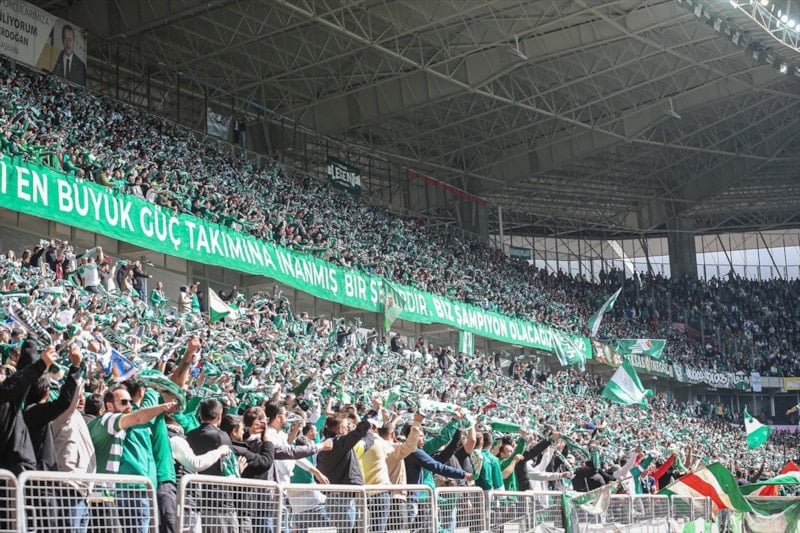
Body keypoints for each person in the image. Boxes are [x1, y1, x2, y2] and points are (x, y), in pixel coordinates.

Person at [88, 385, 179, 533]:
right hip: (104, 494)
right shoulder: (109, 420)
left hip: (103, 494)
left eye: (130, 402)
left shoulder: (100, 423)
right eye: (124, 402)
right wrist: (163, 407)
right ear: (109, 406)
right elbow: (138, 418)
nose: (129, 406)